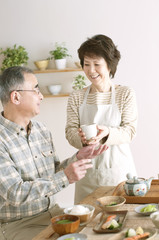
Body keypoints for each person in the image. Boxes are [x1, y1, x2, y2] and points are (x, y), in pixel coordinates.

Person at [0, 66, 107, 240]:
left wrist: (78, 157)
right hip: (19, 224)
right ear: (16, 96)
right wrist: (66, 177)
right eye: (36, 89)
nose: (41, 96)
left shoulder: (41, 130)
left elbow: (54, 171)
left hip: (54, 214)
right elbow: (15, 193)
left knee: (100, 230)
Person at [65, 34, 138, 203]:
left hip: (119, 174)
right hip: (87, 176)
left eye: (97, 64)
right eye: (86, 64)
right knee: (86, 222)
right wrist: (81, 139)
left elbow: (130, 131)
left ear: (110, 66)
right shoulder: (76, 96)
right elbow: (70, 132)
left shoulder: (125, 93)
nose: (91, 70)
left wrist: (107, 133)